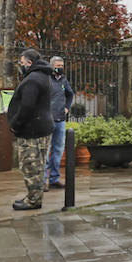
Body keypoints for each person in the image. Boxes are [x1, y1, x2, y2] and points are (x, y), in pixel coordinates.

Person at [6, 48, 54, 210]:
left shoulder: (32, 79)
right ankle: (34, 197)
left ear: (29, 63)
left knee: (31, 165)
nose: (20, 66)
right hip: (41, 127)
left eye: (21, 63)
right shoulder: (43, 76)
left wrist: (15, 124)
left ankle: (33, 200)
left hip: (31, 130)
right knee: (38, 165)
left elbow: (27, 106)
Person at [44, 55, 74, 190]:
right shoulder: (46, 79)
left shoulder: (63, 80)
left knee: (58, 150)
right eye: (57, 66)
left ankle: (54, 179)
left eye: (61, 66)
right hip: (47, 120)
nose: (59, 68)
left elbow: (70, 94)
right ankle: (43, 180)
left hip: (60, 120)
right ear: (51, 66)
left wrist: (67, 107)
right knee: (46, 150)